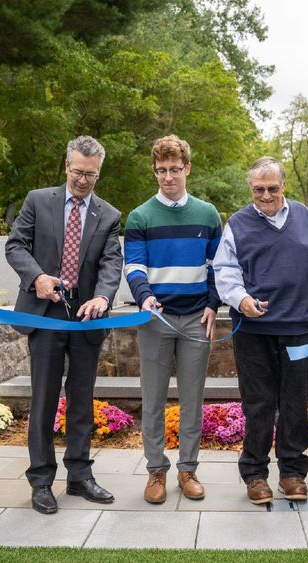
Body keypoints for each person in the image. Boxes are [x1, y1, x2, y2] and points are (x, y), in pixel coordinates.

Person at [5, 135, 122, 514]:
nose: (83, 180)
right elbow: (15, 246)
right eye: (77, 172)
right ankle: (41, 481)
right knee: (43, 401)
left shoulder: (109, 214)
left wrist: (103, 297)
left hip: (87, 319)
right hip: (45, 314)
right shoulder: (38, 201)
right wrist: (37, 277)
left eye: (91, 174)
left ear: (98, 172)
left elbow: (111, 263)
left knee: (82, 400)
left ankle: (79, 477)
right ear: (66, 165)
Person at [213, 156, 308, 505]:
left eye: (272, 188)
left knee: (295, 403)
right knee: (259, 404)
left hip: (299, 328)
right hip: (253, 330)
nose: (265, 195)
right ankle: (255, 474)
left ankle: (293, 472)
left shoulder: (304, 217)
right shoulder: (237, 223)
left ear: (283, 186)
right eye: (258, 189)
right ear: (251, 188)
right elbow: (225, 271)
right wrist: (240, 299)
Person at [123, 135, 222, 504]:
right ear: (155, 171)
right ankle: (155, 472)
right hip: (155, 320)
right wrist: (145, 296)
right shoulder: (140, 216)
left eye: (175, 169)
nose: (168, 177)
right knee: (152, 399)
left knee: (192, 399)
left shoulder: (207, 214)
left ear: (187, 169)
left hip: (198, 319)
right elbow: (134, 265)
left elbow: (218, 265)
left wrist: (213, 303)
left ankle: (188, 469)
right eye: (161, 170)